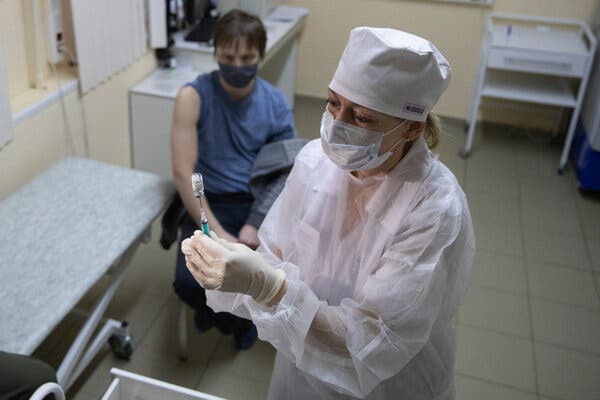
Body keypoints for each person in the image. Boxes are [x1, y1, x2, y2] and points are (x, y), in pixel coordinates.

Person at [182, 27, 474, 399]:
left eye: (362, 118)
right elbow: (274, 254)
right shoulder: (314, 162)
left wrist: (269, 287)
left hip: (388, 386)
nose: (338, 124)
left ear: (411, 129)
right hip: (302, 372)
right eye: (333, 102)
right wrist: (234, 265)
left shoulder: (433, 207)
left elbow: (373, 343)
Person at [170, 9, 296, 350]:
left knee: (267, 278)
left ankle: (239, 322)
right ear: (215, 54)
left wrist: (254, 224)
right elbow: (185, 172)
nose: (237, 65)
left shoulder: (275, 104)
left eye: (247, 57)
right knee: (188, 282)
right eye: (228, 57)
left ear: (260, 55)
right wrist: (218, 233)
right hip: (207, 202)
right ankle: (222, 316)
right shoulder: (192, 97)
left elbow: (287, 172)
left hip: (256, 205)